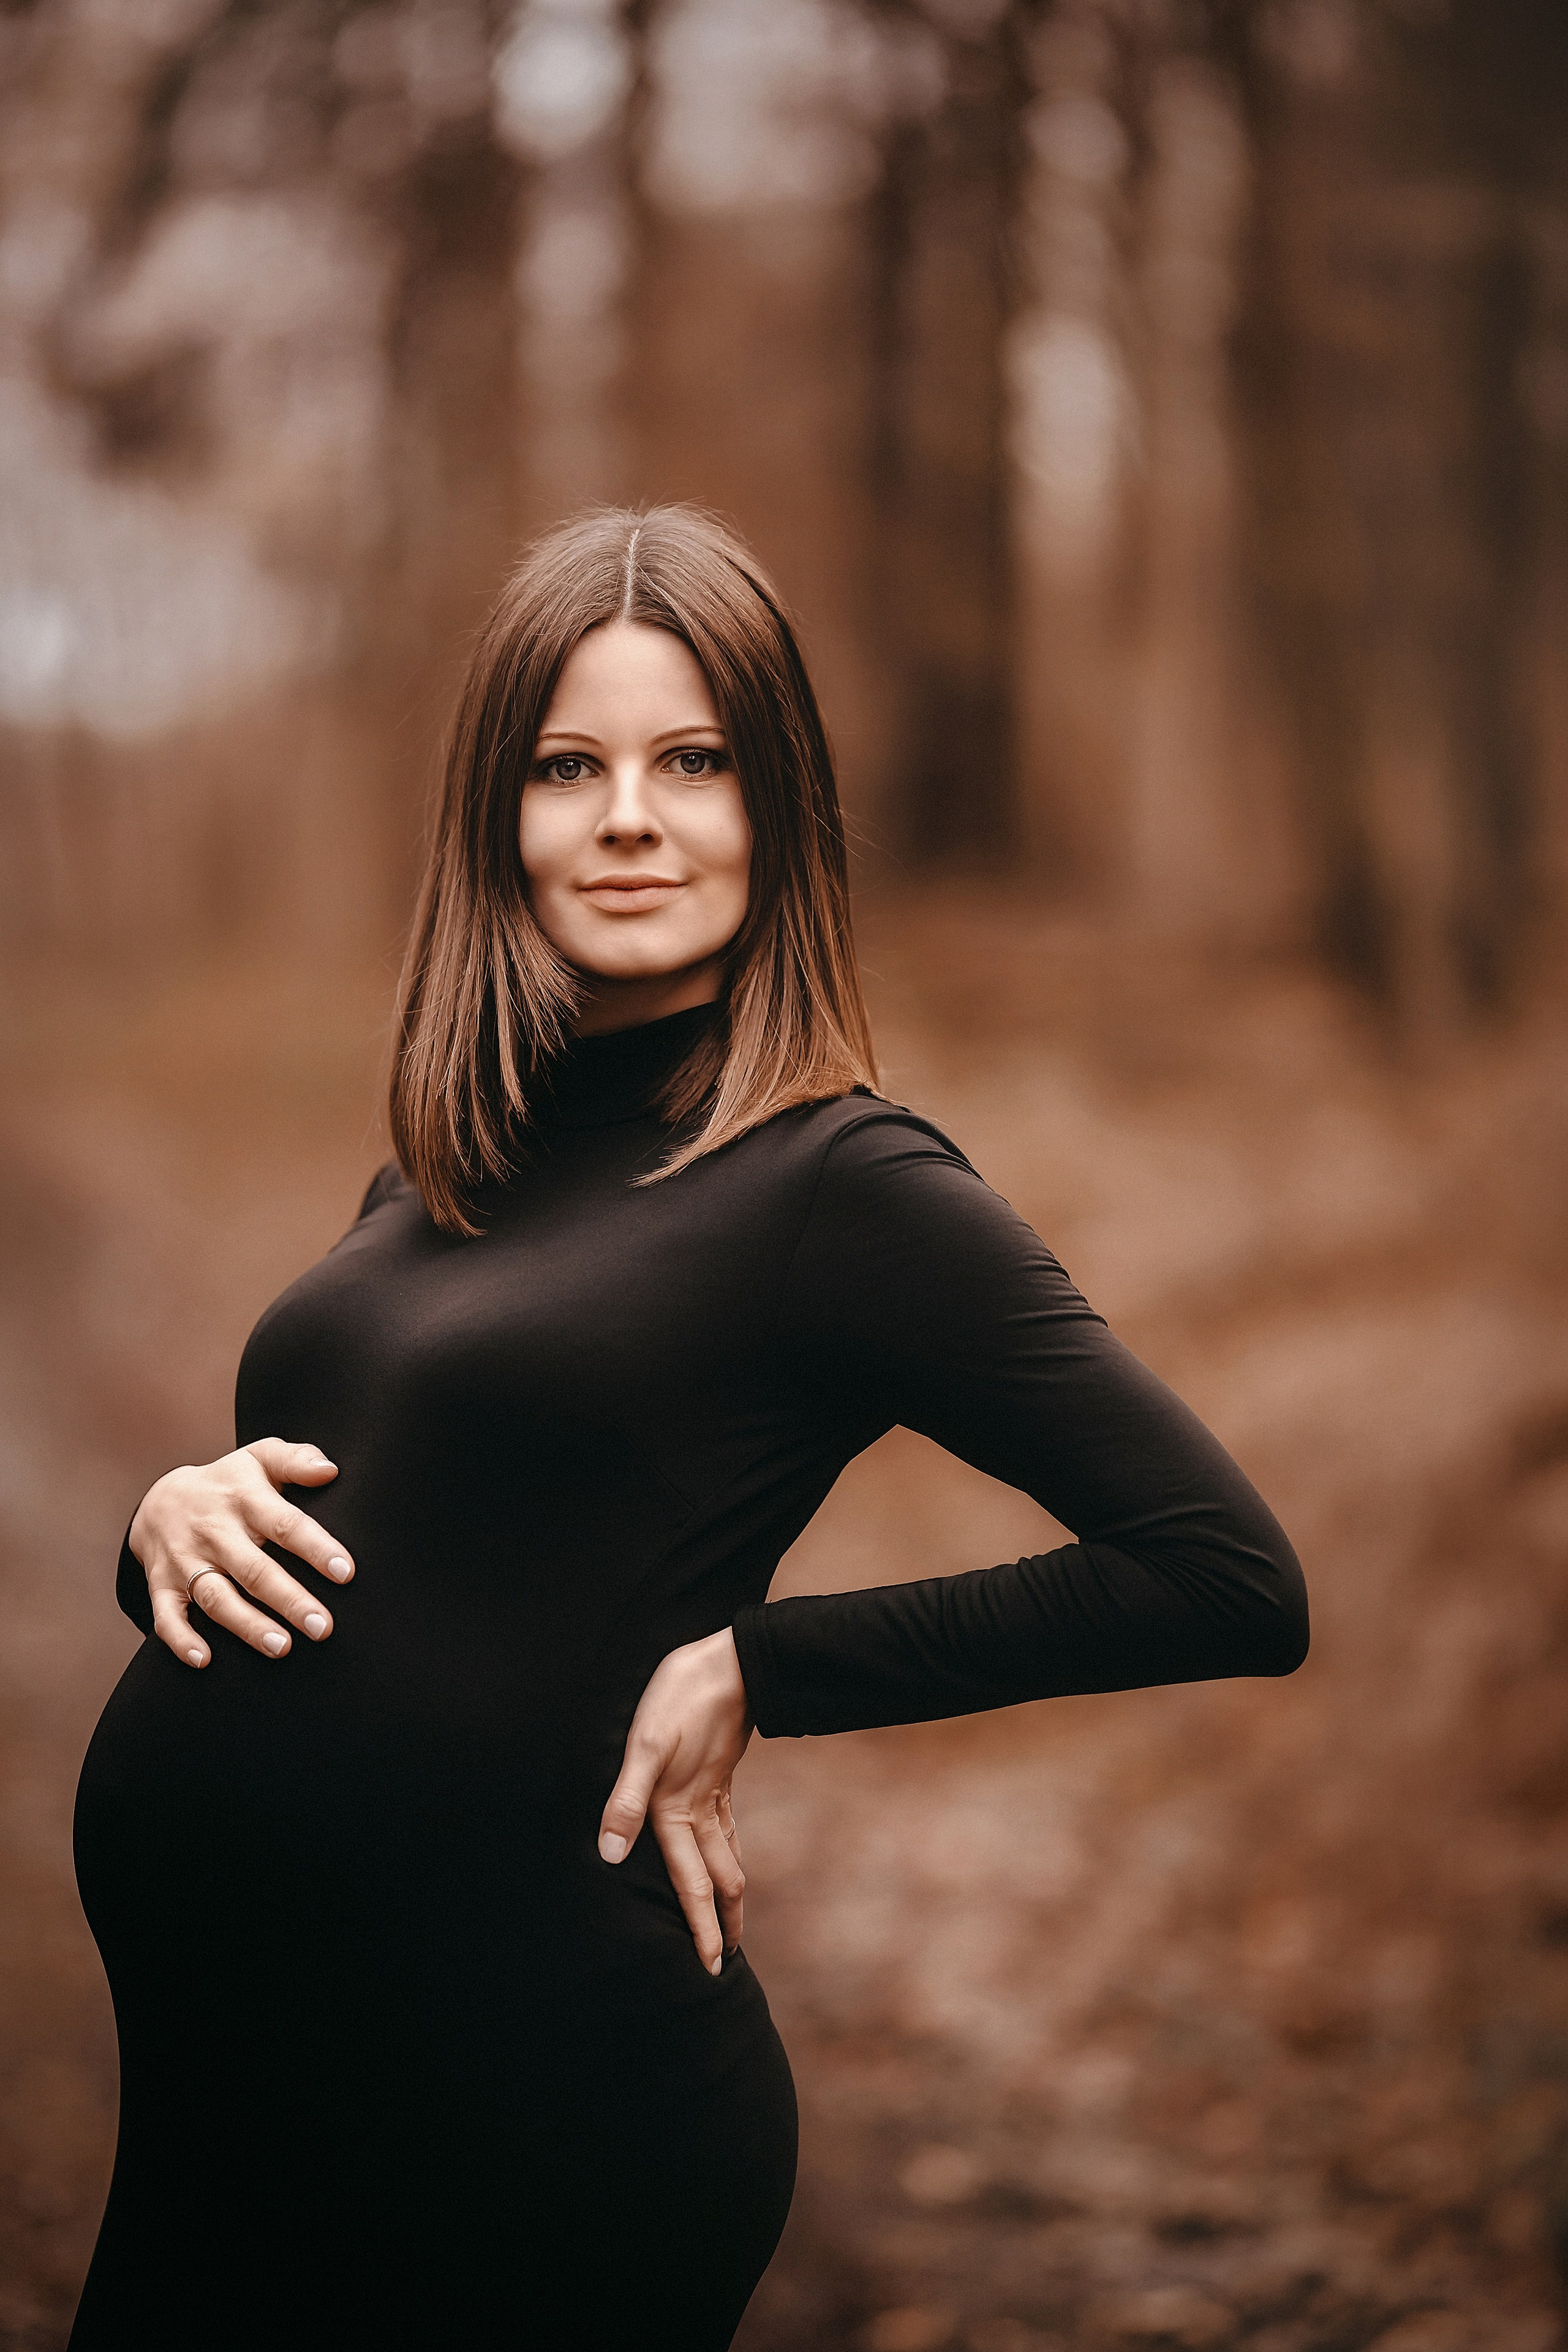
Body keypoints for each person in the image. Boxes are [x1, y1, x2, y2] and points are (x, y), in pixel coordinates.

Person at [70, 505, 1308, 2351]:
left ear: (779, 806)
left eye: (693, 760)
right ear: (500, 815)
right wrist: (163, 1517)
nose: (628, 816)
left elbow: (1223, 1575)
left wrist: (763, 1665)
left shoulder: (845, 1183)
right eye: (569, 765)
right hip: (224, 2110)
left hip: (538, 2138)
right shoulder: (447, 1159)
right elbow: (390, 1512)